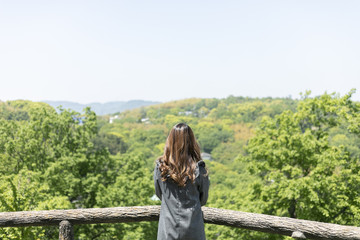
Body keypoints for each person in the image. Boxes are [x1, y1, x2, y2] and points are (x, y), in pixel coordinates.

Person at [154, 123, 210, 240]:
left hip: (167, 230)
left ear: (170, 140)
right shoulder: (199, 169)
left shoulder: (161, 168)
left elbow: (160, 194)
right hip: (193, 230)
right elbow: (203, 200)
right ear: (191, 142)